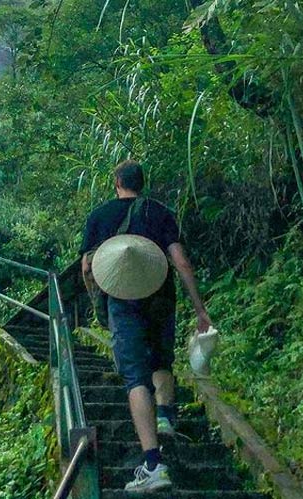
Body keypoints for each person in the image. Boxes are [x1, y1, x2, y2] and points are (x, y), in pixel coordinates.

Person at [79, 159, 213, 492]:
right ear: (143, 183)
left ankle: (153, 464)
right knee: (162, 361)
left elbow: (87, 267)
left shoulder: (100, 216)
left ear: (116, 182)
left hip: (122, 300)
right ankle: (165, 415)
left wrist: (98, 303)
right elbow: (180, 261)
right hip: (160, 294)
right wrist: (200, 309)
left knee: (136, 377)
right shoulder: (161, 212)